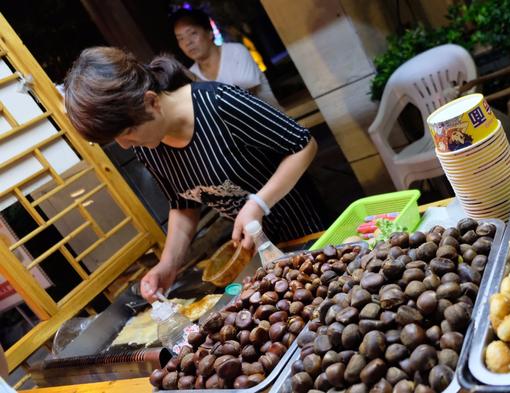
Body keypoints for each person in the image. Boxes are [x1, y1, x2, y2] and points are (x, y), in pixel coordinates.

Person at [63, 47, 324, 302]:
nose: (124, 145)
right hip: (252, 255)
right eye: (115, 139)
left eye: (127, 132)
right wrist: (167, 266)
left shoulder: (219, 103)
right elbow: (183, 204)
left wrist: (259, 202)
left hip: (304, 234)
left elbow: (302, 144)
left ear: (152, 102)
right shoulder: (148, 145)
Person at [171, 8, 281, 108]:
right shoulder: (191, 76)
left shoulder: (236, 52)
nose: (187, 42)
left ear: (210, 33)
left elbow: (243, 100)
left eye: (193, 33)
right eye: (180, 39)